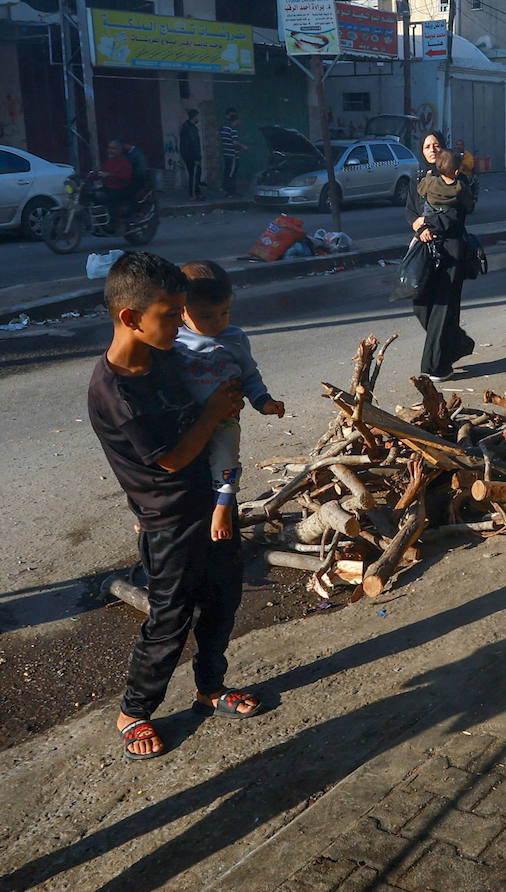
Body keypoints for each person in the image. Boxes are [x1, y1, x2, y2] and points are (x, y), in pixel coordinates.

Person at [87, 251, 261, 761]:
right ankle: (134, 712)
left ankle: (210, 688)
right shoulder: (116, 392)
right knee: (169, 619)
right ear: (130, 317)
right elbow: (170, 459)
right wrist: (213, 413)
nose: (182, 322)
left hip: (210, 504)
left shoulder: (164, 354)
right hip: (167, 523)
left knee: (224, 602)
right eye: (171, 314)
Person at [174, 260, 286, 541]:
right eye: (207, 316)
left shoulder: (235, 338)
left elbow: (250, 375)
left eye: (224, 312)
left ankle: (223, 506)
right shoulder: (173, 340)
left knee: (226, 458)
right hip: (184, 424)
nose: (218, 322)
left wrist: (263, 401)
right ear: (183, 311)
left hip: (224, 419)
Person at [406, 147, 475, 381]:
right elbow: (468, 205)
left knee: (443, 307)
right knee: (422, 303)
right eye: (427, 146)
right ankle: (456, 345)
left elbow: (459, 215)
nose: (432, 150)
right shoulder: (460, 187)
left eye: (436, 145)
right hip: (430, 247)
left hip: (450, 250)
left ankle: (434, 365)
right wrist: (421, 226)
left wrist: (426, 223)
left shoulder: (427, 182)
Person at [99, 140, 134, 216]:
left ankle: (115, 222)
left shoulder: (125, 163)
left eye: (113, 148)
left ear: (119, 150)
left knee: (110, 199)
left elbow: (126, 176)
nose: (110, 150)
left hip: (121, 189)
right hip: (109, 188)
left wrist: (110, 174)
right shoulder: (109, 162)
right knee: (92, 194)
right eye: (109, 148)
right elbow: (101, 171)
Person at [179, 109, 204, 200]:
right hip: (192, 157)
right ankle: (192, 194)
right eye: (197, 116)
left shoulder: (189, 127)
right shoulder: (189, 129)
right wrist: (196, 158)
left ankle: (197, 192)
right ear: (194, 117)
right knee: (193, 176)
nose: (198, 118)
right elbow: (192, 145)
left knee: (196, 175)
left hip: (191, 156)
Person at [219, 107, 244, 197]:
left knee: (228, 171)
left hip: (227, 154)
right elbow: (235, 142)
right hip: (232, 155)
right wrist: (243, 146)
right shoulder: (232, 129)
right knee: (232, 173)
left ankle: (228, 190)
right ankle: (230, 192)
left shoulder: (224, 127)